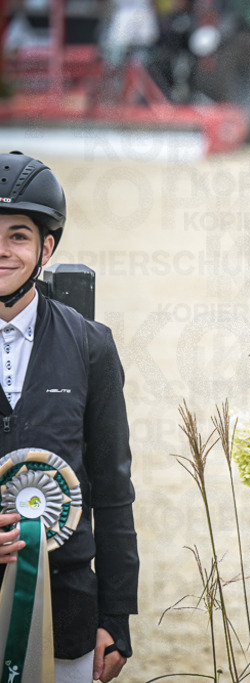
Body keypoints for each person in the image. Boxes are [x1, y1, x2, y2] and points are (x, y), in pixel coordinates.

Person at [0, 152, 138, 683]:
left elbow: (113, 488)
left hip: (70, 611)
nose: (4, 250)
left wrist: (116, 615)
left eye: (17, 235)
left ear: (45, 247)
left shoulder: (91, 347)